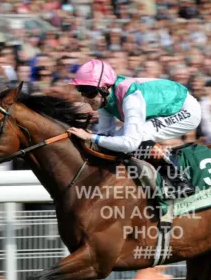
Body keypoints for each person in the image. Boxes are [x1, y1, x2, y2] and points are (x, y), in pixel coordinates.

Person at [66, 59, 202, 199]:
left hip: (185, 111)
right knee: (114, 142)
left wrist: (90, 137)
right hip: (162, 109)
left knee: (137, 138)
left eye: (89, 93)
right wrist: (92, 138)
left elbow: (130, 143)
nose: (85, 99)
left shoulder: (131, 98)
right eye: (81, 91)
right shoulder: (105, 98)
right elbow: (106, 134)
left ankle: (180, 181)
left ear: (104, 88)